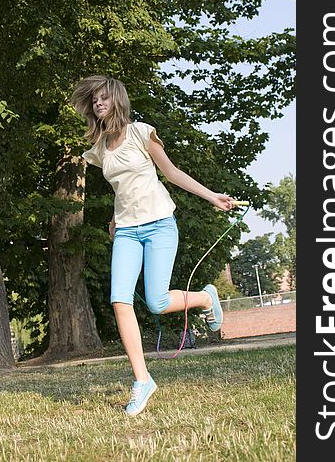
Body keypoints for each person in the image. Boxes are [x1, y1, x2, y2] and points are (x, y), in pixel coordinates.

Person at [71, 75, 236, 416]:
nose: (99, 103)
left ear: (117, 100)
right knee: (119, 299)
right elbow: (121, 188)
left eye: (105, 98)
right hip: (127, 232)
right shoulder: (100, 148)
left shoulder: (141, 133)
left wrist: (211, 197)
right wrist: (116, 221)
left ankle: (206, 298)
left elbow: (172, 173)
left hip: (160, 225)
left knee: (157, 302)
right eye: (95, 100)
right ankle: (142, 379)